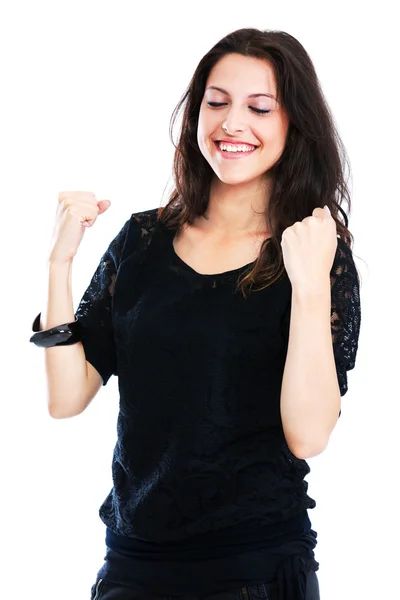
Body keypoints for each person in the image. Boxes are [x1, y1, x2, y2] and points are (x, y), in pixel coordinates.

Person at [30, 27, 361, 600]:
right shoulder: (141, 239)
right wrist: (59, 262)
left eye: (259, 107)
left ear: (294, 125)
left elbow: (308, 435)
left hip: (253, 569)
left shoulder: (313, 255)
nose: (232, 123)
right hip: (133, 562)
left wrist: (308, 286)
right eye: (216, 102)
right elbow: (67, 399)